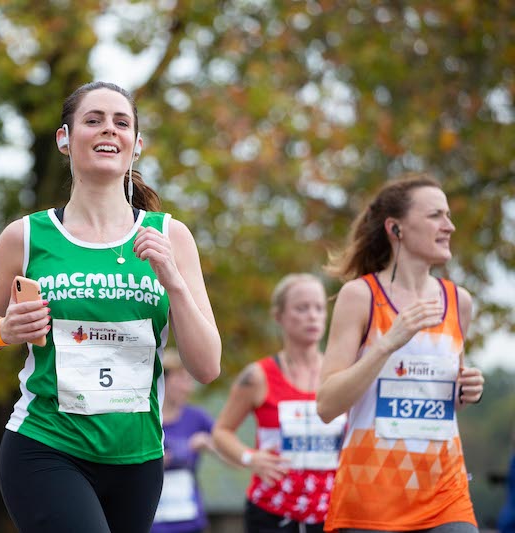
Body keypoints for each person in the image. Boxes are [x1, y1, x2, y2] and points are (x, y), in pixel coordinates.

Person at [0, 81, 221, 533]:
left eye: (121, 123)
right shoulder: (26, 237)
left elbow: (207, 367)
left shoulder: (170, 236)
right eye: (93, 120)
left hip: (138, 458)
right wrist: (3, 331)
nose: (109, 130)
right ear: (65, 138)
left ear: (136, 145)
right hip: (45, 446)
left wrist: (174, 282)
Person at [316, 174, 484, 532]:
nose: (449, 226)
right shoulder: (360, 296)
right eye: (435, 215)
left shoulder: (460, 301)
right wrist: (388, 343)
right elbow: (327, 404)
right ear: (396, 229)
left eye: (449, 216)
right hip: (372, 496)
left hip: (445, 492)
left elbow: (441, 398)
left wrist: (467, 390)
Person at [212, 273, 344, 531]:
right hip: (272, 512)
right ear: (279, 316)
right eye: (301, 308)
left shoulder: (341, 374)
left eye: (319, 308)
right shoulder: (257, 376)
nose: (312, 316)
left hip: (332, 513)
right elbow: (221, 432)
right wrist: (250, 458)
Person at [151, 349, 215, 533]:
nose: (188, 388)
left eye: (190, 381)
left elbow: (227, 450)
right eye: (181, 379)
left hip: (189, 520)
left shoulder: (197, 417)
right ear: (163, 380)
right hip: (152, 521)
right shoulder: (145, 418)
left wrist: (208, 443)